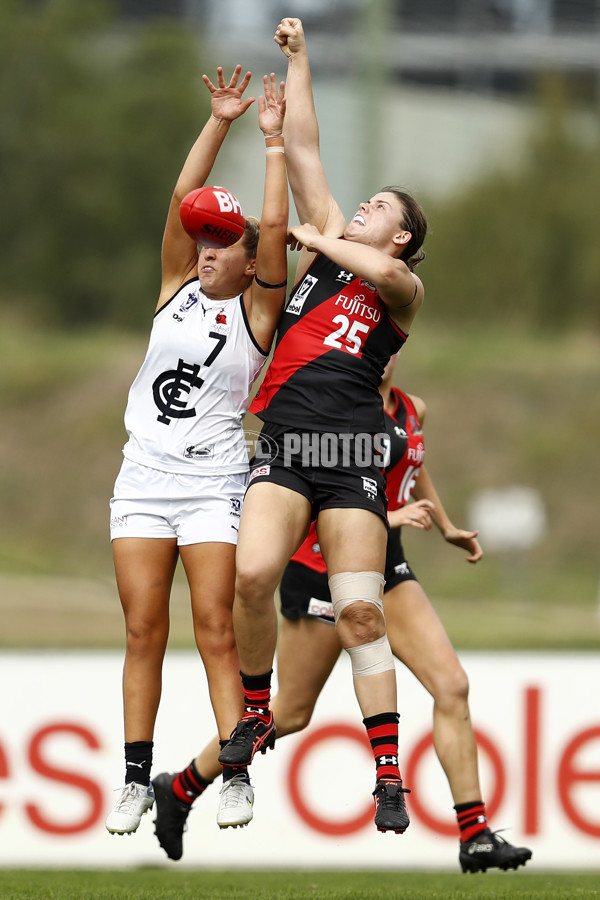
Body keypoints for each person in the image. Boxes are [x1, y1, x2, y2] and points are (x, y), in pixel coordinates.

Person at [152, 355, 532, 874]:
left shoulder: (410, 408)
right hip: (320, 568)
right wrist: (389, 513)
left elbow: (411, 467)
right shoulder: (329, 410)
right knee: (290, 712)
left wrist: (443, 523)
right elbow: (314, 498)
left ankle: (475, 835)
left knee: (453, 686)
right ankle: (180, 787)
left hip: (386, 564)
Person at [213, 15, 429, 839]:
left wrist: (317, 237)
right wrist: (298, 63)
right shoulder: (334, 241)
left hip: (350, 451)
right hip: (288, 440)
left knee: (359, 611)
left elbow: (381, 269)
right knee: (252, 577)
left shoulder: (398, 286)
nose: (361, 210)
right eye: (361, 205)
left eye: (378, 209)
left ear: (401, 235)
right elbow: (303, 149)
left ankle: (388, 778)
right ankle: (255, 714)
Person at [104, 65, 288, 836]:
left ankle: (235, 769)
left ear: (249, 265)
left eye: (225, 245)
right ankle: (136, 780)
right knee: (144, 629)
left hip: (212, 483)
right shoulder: (176, 280)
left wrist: (273, 144)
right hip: (142, 478)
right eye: (205, 242)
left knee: (215, 627)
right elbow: (184, 200)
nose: (209, 250)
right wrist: (220, 123)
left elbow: (274, 233)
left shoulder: (257, 313)